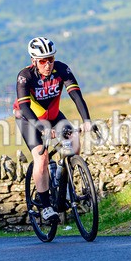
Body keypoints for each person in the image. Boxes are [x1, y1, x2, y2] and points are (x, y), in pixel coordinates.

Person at [13, 37, 93, 224]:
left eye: (50, 59)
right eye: (42, 61)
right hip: (28, 118)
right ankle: (46, 206)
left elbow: (76, 95)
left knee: (74, 142)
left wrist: (87, 120)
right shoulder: (25, 76)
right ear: (34, 61)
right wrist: (42, 129)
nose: (47, 64)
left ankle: (61, 177)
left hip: (53, 115)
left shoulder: (62, 69)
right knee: (42, 157)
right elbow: (24, 107)